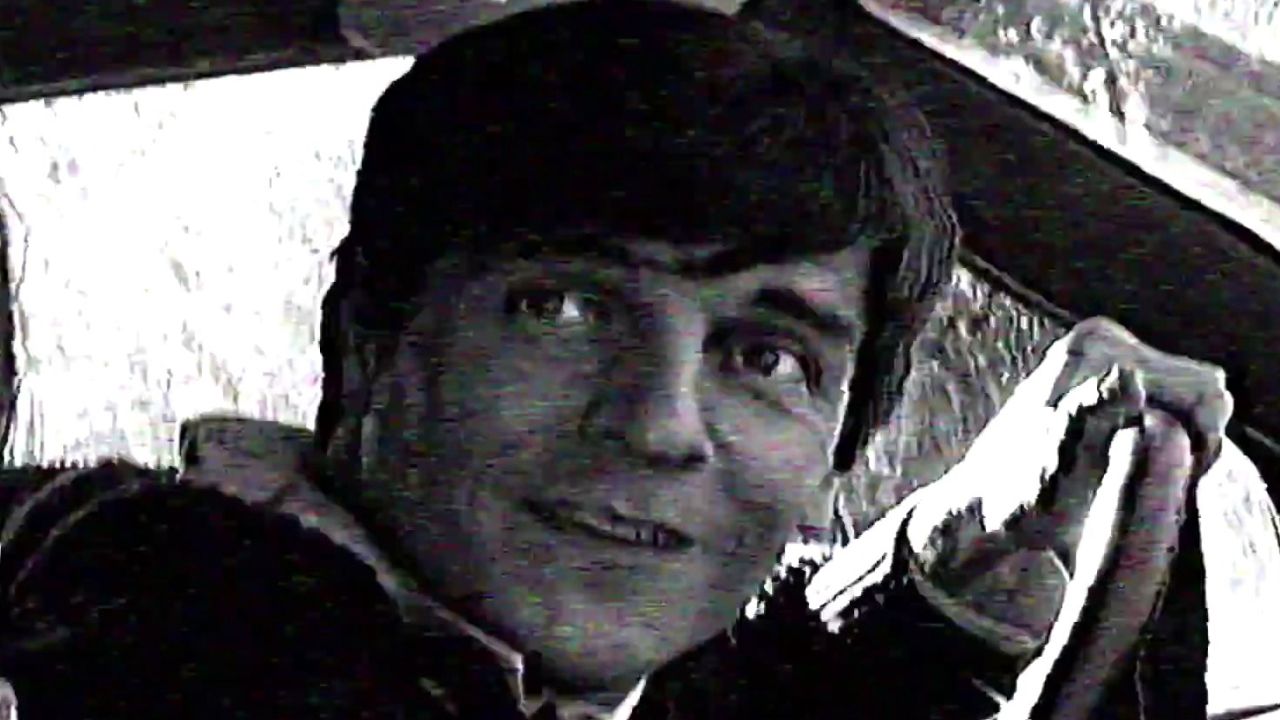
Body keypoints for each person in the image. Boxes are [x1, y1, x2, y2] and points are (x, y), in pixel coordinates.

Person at [0, 1, 1252, 719]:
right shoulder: (141, 627)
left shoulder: (465, 664)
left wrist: (946, 556)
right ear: (369, 342)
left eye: (765, 357)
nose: (656, 425)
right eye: (560, 309)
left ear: (836, 446)